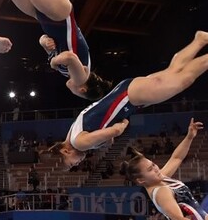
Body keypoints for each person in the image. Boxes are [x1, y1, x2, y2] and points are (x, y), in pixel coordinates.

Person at [50, 32, 208, 166]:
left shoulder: (79, 143)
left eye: (71, 162)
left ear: (65, 150)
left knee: (182, 81)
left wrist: (121, 125)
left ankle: (200, 41)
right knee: (174, 73)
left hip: (128, 98)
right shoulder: (73, 133)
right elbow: (107, 134)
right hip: (128, 93)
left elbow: (116, 130)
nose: (77, 163)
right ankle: (200, 40)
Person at [125, 118, 208, 220]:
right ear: (141, 180)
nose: (156, 169)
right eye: (150, 170)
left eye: (153, 164)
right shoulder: (161, 193)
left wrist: (189, 136)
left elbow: (176, 158)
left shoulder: (160, 178)